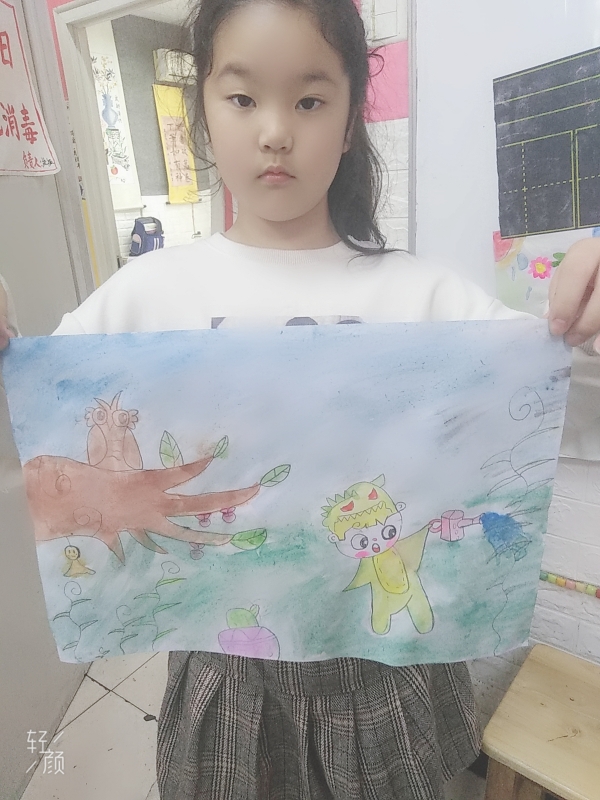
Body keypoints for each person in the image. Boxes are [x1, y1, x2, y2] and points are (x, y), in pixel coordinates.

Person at [1, 0, 599, 797]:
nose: (275, 131)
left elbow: (556, 403)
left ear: (350, 122)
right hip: (225, 677)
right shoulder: (144, 296)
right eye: (243, 97)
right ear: (203, 109)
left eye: (311, 100)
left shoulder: (425, 299)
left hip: (389, 672)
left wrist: (583, 315)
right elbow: (41, 427)